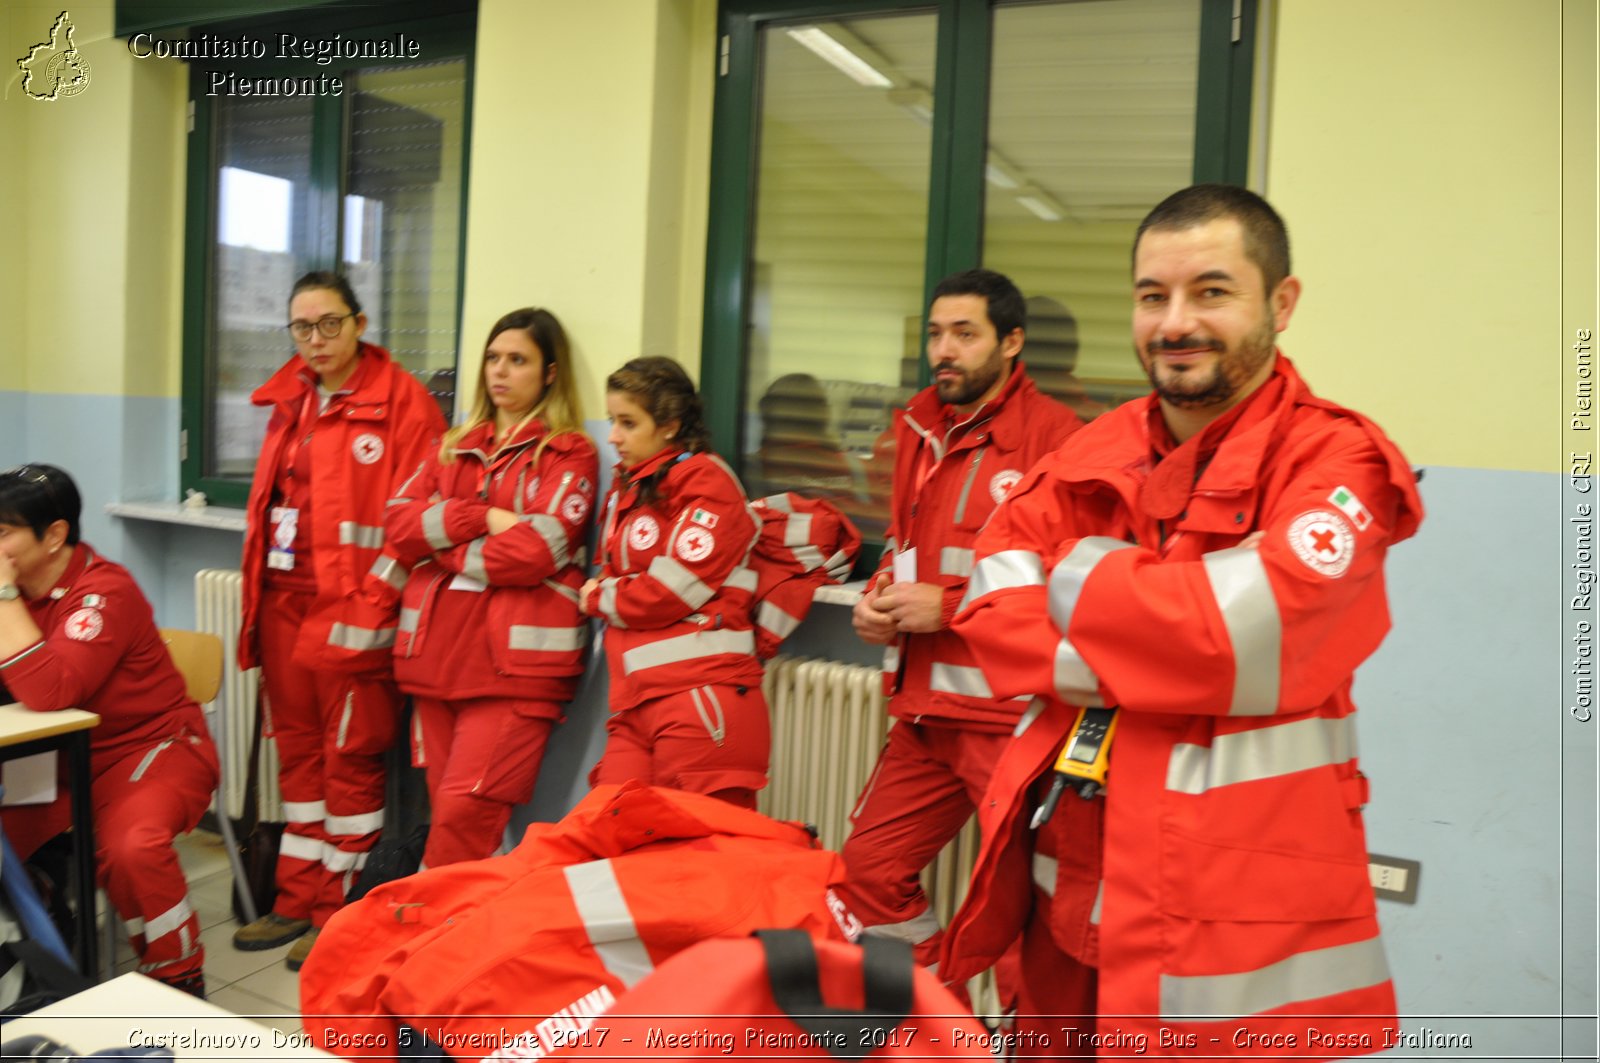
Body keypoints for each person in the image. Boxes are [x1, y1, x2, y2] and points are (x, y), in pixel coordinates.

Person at [941, 185, 1423, 1056]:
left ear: (1280, 303)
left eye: (1211, 291)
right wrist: (1165, 625)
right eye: (1151, 295)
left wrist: (1078, 574)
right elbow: (990, 610)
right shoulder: (1091, 450)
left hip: (1239, 922)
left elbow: (1242, 638)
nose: (1175, 322)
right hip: (1074, 887)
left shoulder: (1337, 458)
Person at [844, 269, 1081, 967]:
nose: (944, 349)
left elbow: (1072, 586)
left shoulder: (1057, 437)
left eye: (965, 334)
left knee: (1021, 911)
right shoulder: (920, 425)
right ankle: (936, 1024)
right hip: (923, 713)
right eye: (935, 333)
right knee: (868, 870)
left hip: (1008, 720)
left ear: (1012, 342)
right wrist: (879, 601)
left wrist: (945, 608)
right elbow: (909, 543)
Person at [233, 271, 446, 970]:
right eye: (302, 328)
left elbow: (411, 527)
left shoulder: (403, 404)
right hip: (283, 604)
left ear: (359, 323)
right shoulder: (288, 397)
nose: (316, 341)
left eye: (329, 324)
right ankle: (296, 898)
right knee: (297, 757)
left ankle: (340, 911)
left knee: (349, 761)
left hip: (353, 613)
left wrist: (374, 609)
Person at [380, 308, 597, 868]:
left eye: (518, 360)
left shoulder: (569, 453)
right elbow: (399, 526)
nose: (500, 371)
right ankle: (447, 941)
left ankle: (434, 944)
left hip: (513, 673)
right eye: (494, 358)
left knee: (462, 820)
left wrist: (443, 540)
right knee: (453, 824)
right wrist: (483, 517)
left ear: (550, 373)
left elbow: (536, 553)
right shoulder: (452, 445)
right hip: (437, 664)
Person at [0, 464, 220, 997]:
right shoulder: (16, 591)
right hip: (51, 762)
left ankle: (178, 976)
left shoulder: (103, 591)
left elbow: (53, 690)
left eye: (3, 532)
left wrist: (2, 598)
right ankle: (49, 918)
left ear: (53, 536)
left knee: (132, 847)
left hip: (150, 748)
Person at [578, 356, 768, 809]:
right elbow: (617, 568)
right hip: (637, 702)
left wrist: (600, 596)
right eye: (611, 420)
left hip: (699, 700)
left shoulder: (708, 483)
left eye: (628, 422)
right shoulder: (633, 485)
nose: (613, 437)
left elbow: (670, 591)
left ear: (669, 426)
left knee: (696, 861)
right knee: (608, 834)